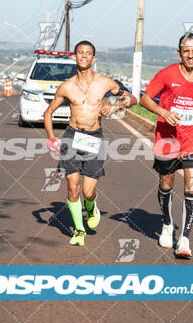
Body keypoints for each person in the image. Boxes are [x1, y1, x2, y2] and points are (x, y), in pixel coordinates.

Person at [44, 40, 137, 246]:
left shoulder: (105, 83)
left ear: (93, 58)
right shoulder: (66, 86)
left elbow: (133, 98)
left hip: (94, 138)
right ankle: (79, 230)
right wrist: (51, 138)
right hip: (71, 136)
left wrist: (115, 106)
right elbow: (48, 113)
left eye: (88, 53)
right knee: (72, 188)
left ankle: (91, 205)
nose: (84, 56)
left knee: (88, 191)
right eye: (80, 53)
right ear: (73, 57)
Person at [139, 32, 193, 259]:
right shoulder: (167, 74)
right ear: (179, 53)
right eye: (186, 51)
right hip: (167, 139)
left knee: (192, 188)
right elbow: (145, 98)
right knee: (166, 184)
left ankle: (184, 239)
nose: (190, 55)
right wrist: (162, 111)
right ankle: (166, 223)